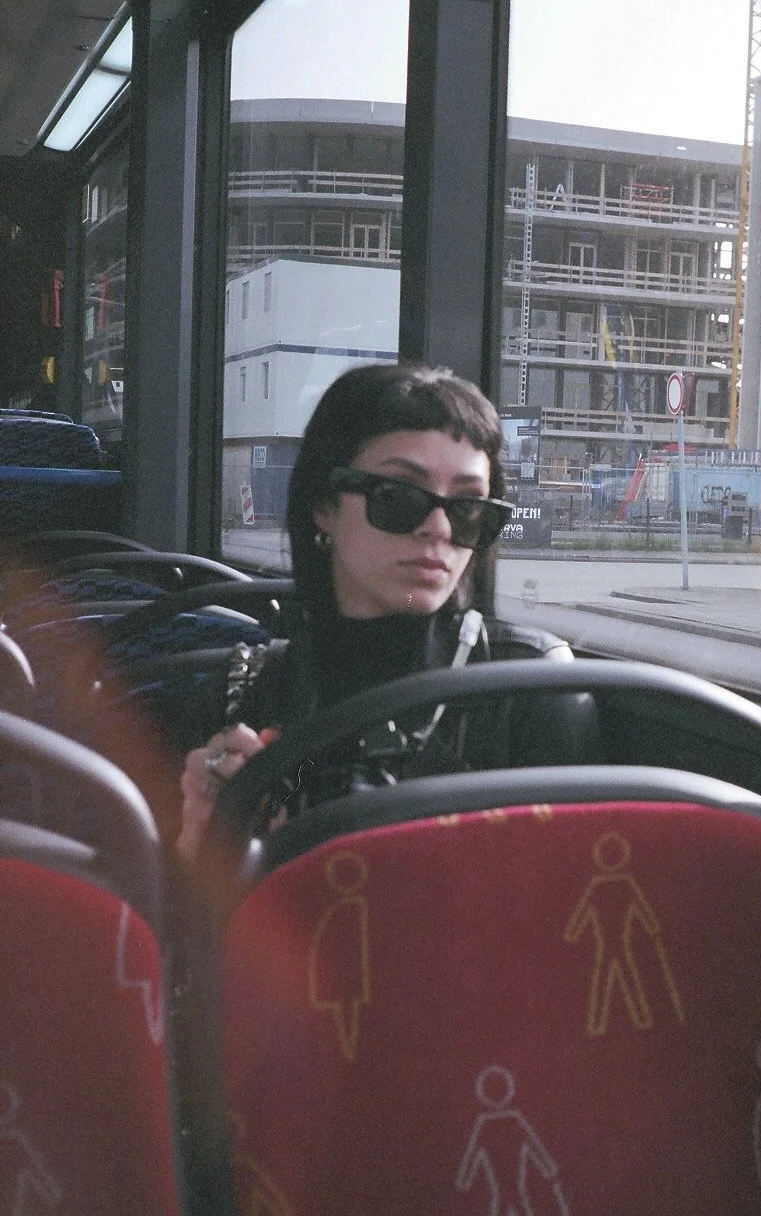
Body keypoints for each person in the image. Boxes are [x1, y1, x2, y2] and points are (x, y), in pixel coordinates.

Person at [177, 362, 590, 864]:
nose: (438, 529)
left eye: (467, 508)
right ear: (324, 506)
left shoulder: (531, 689)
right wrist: (201, 845)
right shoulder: (237, 695)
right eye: (398, 497)